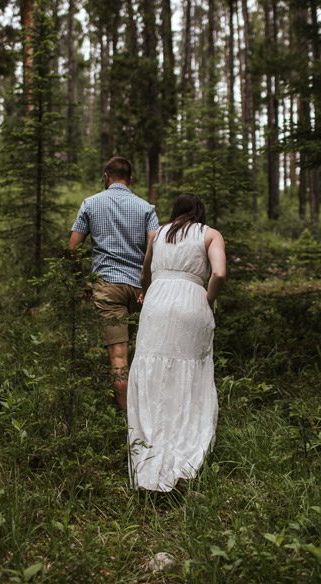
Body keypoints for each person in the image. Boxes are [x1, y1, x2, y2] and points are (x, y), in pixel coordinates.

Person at [127, 193, 226, 492]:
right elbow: (219, 272)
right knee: (190, 374)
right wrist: (205, 298)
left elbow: (145, 271)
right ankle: (185, 455)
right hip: (191, 302)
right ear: (201, 212)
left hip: (157, 302)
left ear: (176, 211)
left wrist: (150, 290)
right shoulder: (210, 234)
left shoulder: (157, 234)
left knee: (152, 371)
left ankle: (149, 450)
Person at [68, 157, 160, 410]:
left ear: (106, 176)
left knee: (119, 359)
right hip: (141, 291)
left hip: (107, 286)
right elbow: (156, 247)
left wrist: (84, 282)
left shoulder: (91, 203)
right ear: (130, 179)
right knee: (150, 355)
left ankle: (128, 423)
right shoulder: (146, 209)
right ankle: (152, 411)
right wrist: (146, 284)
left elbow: (73, 247)